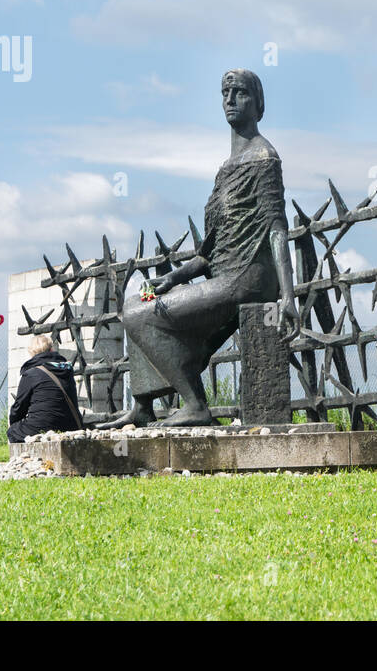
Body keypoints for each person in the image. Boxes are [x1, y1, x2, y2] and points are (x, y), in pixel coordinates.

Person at [100, 69, 300, 428]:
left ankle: (195, 406)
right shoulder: (225, 170)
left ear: (258, 103)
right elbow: (208, 253)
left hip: (247, 278)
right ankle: (143, 406)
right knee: (139, 301)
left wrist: (289, 295)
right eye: (225, 93)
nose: (230, 100)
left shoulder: (264, 158)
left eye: (240, 93)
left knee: (139, 315)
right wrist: (172, 277)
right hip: (224, 274)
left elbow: (276, 228)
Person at [8, 334, 82, 442]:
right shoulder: (67, 370)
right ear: (51, 349)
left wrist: (15, 422)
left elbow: (19, 407)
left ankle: (28, 458)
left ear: (31, 353)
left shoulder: (31, 374)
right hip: (71, 424)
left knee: (13, 431)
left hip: (42, 426)